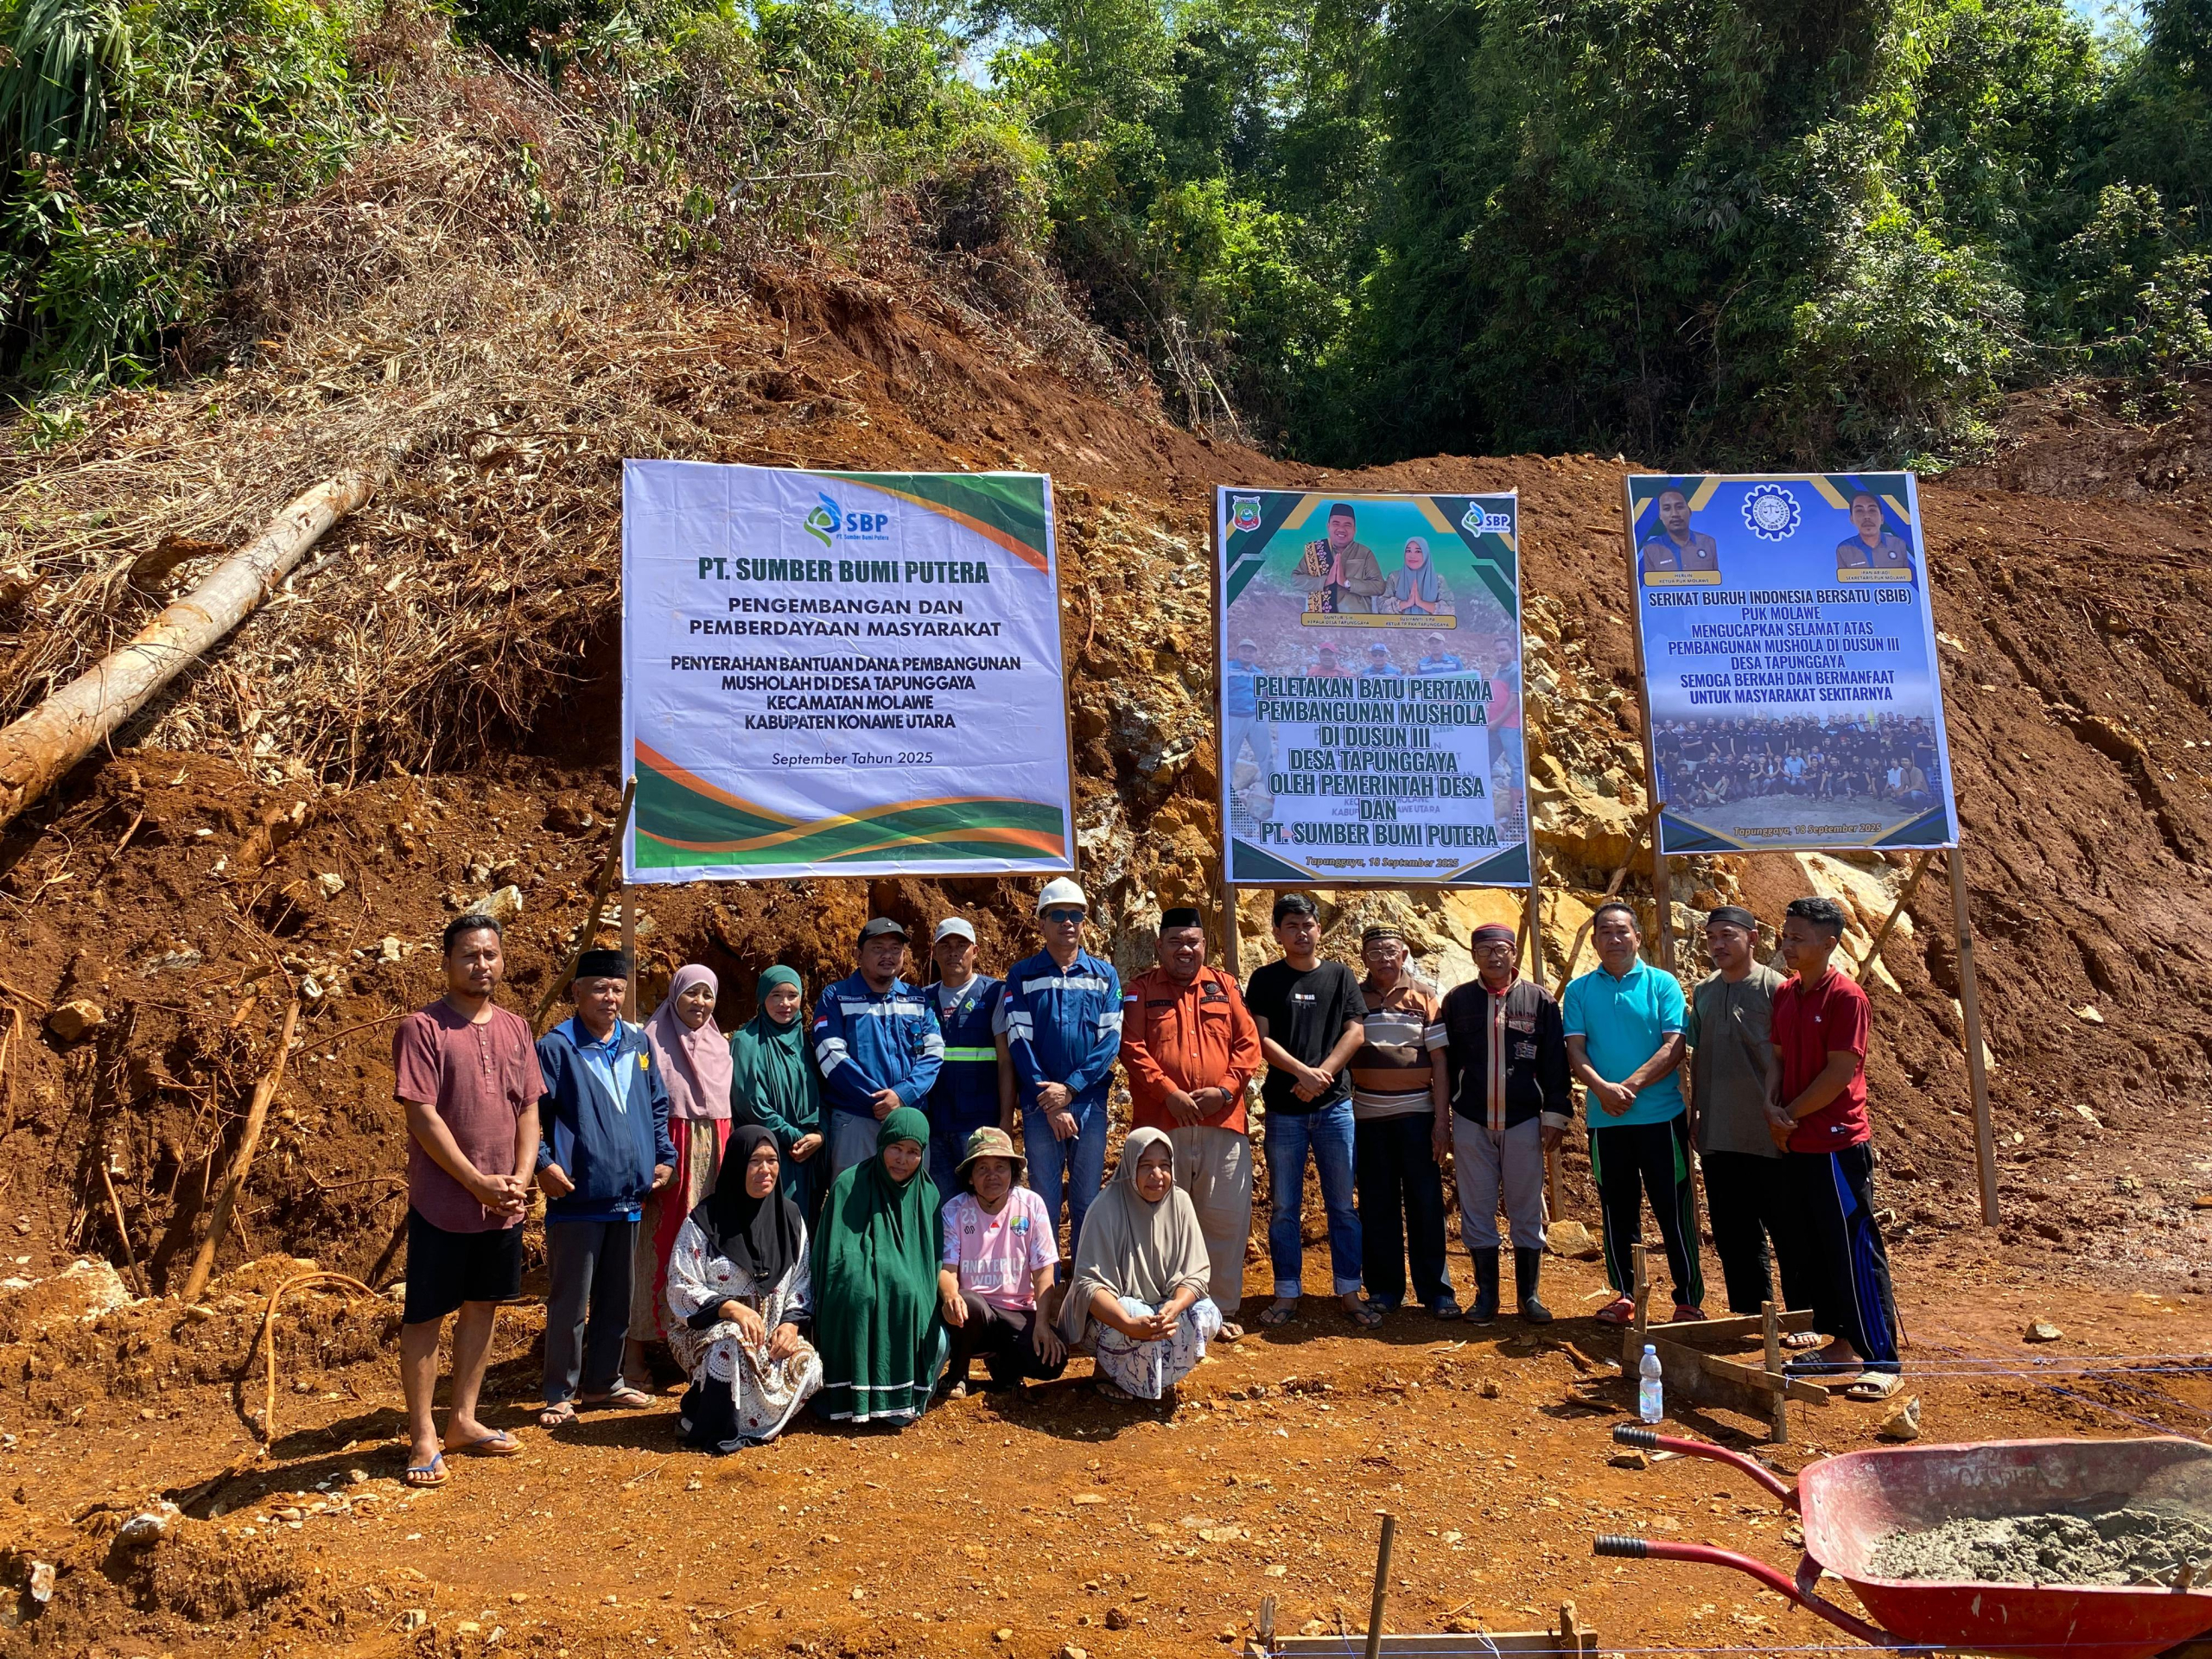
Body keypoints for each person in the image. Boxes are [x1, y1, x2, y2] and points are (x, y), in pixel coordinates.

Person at [392, 913, 543, 1488]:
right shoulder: (422, 1028)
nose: (482, 965)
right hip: (443, 1203)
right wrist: (476, 1181)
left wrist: (521, 1176)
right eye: (469, 955)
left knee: (483, 1306)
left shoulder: (516, 1028)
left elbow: (528, 1106)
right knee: (426, 1315)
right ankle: (423, 1434)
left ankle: (462, 1420)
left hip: (504, 1201)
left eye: (490, 954)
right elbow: (422, 1116)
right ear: (447, 962)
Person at [534, 950, 675, 1427]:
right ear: (577, 992)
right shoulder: (556, 1048)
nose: (609, 998)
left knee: (617, 1297)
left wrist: (664, 1156)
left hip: (629, 1196)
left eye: (617, 989)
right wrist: (543, 1164)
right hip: (578, 1196)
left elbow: (656, 1104)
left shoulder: (637, 1042)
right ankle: (559, 1392)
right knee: (571, 1302)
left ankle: (603, 1383)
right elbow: (530, 1115)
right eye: (599, 988)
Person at [1770, 896, 1904, 1399]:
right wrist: (1771, 1108)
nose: (1788, 944)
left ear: (1829, 943)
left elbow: (1839, 1074)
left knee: (1854, 1248)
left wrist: (1788, 1113)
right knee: (1816, 1249)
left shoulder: (1848, 998)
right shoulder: (1786, 993)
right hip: (1794, 1140)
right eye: (1786, 935)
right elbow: (1777, 1059)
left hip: (1835, 1146)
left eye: (1798, 937)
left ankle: (1882, 1359)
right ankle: (1841, 1346)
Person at [1117, 906, 1262, 1338]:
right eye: (1175, 941)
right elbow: (1131, 1046)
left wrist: (1226, 1091)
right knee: (1162, 1219)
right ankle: (1164, 1308)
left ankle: (1219, 1312)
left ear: (1204, 945)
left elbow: (1248, 1043)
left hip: (1223, 1123)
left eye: (1193, 942)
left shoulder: (1225, 986)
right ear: (1159, 946)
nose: (1185, 949)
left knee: (1223, 1220)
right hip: (1164, 1127)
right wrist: (1168, 1093)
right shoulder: (1141, 989)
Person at [1563, 902, 1706, 1325]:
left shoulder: (1662, 983)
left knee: (1674, 1209)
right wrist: (1602, 1089)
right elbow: (1575, 1049)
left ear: (1637, 937)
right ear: (1594, 941)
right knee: (1616, 1210)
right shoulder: (1579, 991)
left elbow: (1674, 1045)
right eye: (1605, 932)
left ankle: (1688, 1299)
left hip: (1661, 1119)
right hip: (1605, 1120)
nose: (1614, 939)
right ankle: (1625, 1295)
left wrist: (1630, 1087)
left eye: (1622, 931)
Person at [1243, 893, 1375, 1329]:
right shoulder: (1265, 979)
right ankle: (1287, 1292)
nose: (1302, 933)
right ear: (1277, 933)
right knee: (1284, 1206)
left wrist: (1323, 1075)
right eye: (1292, 926)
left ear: (1319, 929)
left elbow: (1355, 1032)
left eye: (1308, 925)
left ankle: (1350, 1291)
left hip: (1335, 1108)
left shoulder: (1340, 975)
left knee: (1343, 1206)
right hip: (1284, 1110)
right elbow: (1260, 1039)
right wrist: (1303, 1072)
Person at [1437, 921, 1572, 1325]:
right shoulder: (1457, 1000)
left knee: (1525, 1208)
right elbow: (1444, 1062)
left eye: (1501, 949)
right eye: (1485, 950)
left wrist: (1556, 1114)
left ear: (1513, 953)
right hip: (1471, 1119)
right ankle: (1486, 1298)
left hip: (1523, 1120)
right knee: (1476, 1209)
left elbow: (1555, 1062)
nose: (1494, 957)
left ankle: (1529, 1297)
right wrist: (1445, 1117)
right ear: (1474, 955)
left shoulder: (1539, 1000)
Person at [665, 1125, 822, 1450]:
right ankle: (710, 1421)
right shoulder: (705, 1221)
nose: (766, 1170)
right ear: (737, 1164)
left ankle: (751, 1420)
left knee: (809, 1364)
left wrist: (791, 1325)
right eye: (755, 1161)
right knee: (731, 1342)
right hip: (707, 1334)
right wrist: (730, 1309)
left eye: (772, 1160)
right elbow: (681, 1284)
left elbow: (802, 1279)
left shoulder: (790, 1218)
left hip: (769, 1338)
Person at [1684, 907, 1802, 1320]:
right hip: (1718, 1131)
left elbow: (1793, 1058)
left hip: (1770, 1132)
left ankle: (1802, 1314)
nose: (1718, 944)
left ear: (1752, 938)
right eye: (1711, 937)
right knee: (1734, 1230)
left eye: (1727, 935)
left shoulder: (1778, 989)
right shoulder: (1704, 991)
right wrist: (1697, 1112)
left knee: (1788, 1229)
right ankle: (1751, 1315)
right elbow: (1698, 1057)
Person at [1003, 878, 1122, 1260]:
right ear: (1042, 922)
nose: (1067, 922)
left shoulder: (1104, 976)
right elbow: (1018, 1040)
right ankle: (1047, 1285)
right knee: (1043, 1202)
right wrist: (1050, 1100)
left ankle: (1086, 1286)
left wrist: (1069, 1090)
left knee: (1088, 1201)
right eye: (1057, 915)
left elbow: (1110, 1041)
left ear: (1084, 922)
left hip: (1089, 1104)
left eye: (1075, 915)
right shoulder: (1022, 975)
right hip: (1040, 1107)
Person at [1057, 1128, 1222, 1402]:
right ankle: (1108, 1372)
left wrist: (1175, 1306)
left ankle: (1159, 1375)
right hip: (1113, 1318)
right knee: (1134, 1309)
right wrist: (1129, 1325)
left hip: (1160, 1310)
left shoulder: (1180, 1202)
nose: (1157, 1175)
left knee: (1205, 1313)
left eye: (1164, 1165)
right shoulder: (1106, 1207)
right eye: (1146, 1166)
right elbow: (1088, 1286)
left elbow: (1196, 1274)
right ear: (1130, 1167)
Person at [810, 1107, 946, 1425]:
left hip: (909, 1303)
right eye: (895, 1148)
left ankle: (899, 1400)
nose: (902, 1159)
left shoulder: (927, 1195)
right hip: (857, 1292)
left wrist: (904, 1284)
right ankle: (855, 1399)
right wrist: (880, 1277)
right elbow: (836, 1256)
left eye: (913, 1152)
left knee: (932, 1333)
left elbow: (929, 1264)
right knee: (861, 1298)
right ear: (881, 1144)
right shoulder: (848, 1184)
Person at [630, 963, 733, 1385]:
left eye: (708, 995)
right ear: (674, 995)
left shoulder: (721, 1047)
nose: (700, 1003)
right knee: (654, 1249)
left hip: (714, 1159)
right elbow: (639, 1105)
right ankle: (633, 1354)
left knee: (703, 1252)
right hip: (669, 1157)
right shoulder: (649, 1043)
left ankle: (695, 1348)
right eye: (692, 993)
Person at [1348, 925, 1457, 1319]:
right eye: (1375, 952)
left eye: (1391, 951)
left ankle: (1437, 1291)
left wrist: (1441, 1121)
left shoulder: (1425, 995)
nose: (1384, 959)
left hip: (1418, 1117)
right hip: (1367, 1118)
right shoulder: (1353, 997)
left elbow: (1440, 1060)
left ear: (1405, 954)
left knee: (1426, 1203)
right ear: (1364, 957)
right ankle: (1384, 1289)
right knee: (1377, 1204)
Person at [938, 1127, 1067, 1395]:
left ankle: (1004, 1367)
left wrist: (1042, 1324)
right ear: (970, 1176)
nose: (992, 1175)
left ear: (1013, 1171)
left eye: (1000, 1167)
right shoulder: (954, 1210)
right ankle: (957, 1374)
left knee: (1054, 1360)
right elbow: (947, 1270)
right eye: (982, 1169)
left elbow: (1044, 1270)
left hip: (1019, 1310)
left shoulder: (1031, 1204)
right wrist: (950, 1296)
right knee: (967, 1303)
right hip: (973, 1315)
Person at [812, 918, 944, 1179]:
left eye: (895, 948)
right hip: (857, 1119)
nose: (888, 955)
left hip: (909, 1118)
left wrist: (903, 1095)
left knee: (907, 1201)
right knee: (853, 1199)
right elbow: (830, 1055)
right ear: (858, 954)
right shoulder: (836, 996)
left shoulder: (917, 998)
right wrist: (879, 1101)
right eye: (878, 948)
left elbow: (934, 1052)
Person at [922, 918, 1013, 1210]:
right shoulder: (922, 1000)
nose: (954, 952)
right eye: (945, 945)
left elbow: (1005, 1063)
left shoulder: (994, 994)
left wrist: (1006, 1120)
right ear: (934, 953)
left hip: (979, 1125)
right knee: (944, 1211)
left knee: (984, 1204)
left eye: (961, 945)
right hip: (935, 1126)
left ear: (975, 951)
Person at [731, 966, 826, 1221]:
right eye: (776, 995)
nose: (785, 1004)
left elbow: (826, 1094)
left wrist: (820, 1135)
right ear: (762, 997)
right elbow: (749, 1102)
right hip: (770, 1154)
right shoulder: (746, 1042)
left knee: (805, 1226)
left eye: (792, 996)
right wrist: (795, 1137)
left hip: (808, 1158)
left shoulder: (808, 1043)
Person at [1297, 501, 1387, 613]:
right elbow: (1296, 580)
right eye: (1336, 524)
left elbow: (1379, 586)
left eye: (1347, 525)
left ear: (1354, 529)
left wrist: (1346, 583)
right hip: (1322, 620)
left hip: (1356, 619)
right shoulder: (1316, 550)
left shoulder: (1364, 553)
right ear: (1328, 526)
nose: (1341, 529)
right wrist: (1325, 581)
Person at [1638, 486, 1719, 579]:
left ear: (1689, 512)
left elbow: (1717, 582)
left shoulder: (1708, 542)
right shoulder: (1650, 548)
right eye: (1667, 509)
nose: (1675, 514)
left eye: (1680, 507)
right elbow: (1648, 585)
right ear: (1660, 515)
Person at [1835, 493, 1914, 576]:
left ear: (1882, 519)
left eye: (1872, 510)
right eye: (1859, 511)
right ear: (1852, 519)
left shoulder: (1898, 544)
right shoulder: (1844, 549)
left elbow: (1908, 579)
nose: (1867, 516)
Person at [1385, 536, 1450, 616]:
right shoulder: (1394, 577)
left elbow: (1450, 609)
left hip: (1431, 624)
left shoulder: (1438, 580)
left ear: (1426, 554)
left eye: (1418, 551)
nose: (1412, 556)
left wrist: (1421, 603)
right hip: (1399, 624)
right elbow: (1381, 606)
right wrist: (1407, 604)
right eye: (1408, 551)